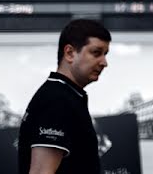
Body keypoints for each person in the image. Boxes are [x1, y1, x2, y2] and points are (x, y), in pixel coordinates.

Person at [18, 19, 111, 174]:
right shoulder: (57, 100)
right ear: (69, 53)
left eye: (105, 54)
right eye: (96, 53)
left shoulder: (65, 95)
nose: (104, 62)